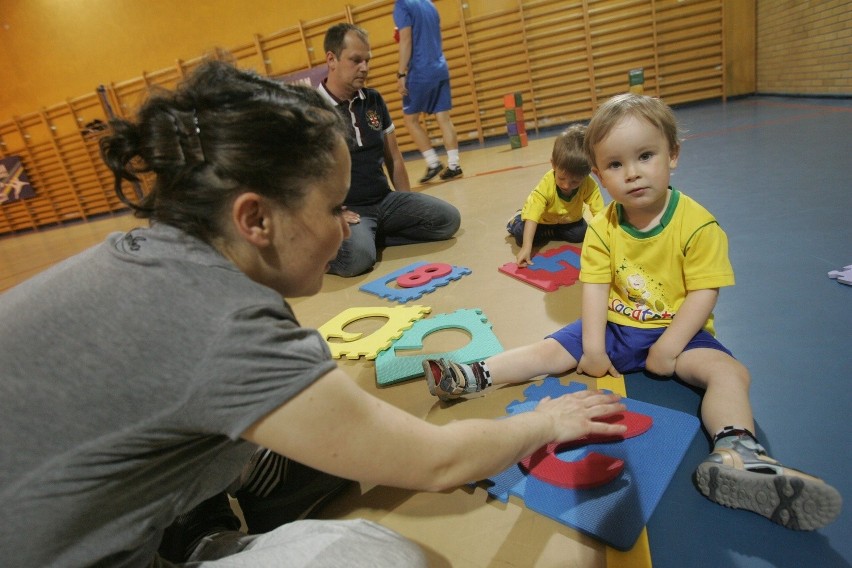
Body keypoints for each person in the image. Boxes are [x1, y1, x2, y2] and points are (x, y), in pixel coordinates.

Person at [0, 59, 631, 567]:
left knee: (318, 423)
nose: (343, 229)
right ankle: (199, 536)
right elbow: (437, 462)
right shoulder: (222, 323)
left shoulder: (160, 256)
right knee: (377, 556)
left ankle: (198, 505)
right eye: (334, 210)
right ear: (255, 218)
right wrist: (545, 422)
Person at [422, 93, 842, 531]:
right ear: (599, 175)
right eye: (616, 165)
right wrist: (591, 346)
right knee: (547, 351)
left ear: (672, 154)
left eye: (645, 156)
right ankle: (471, 375)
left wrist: (671, 345)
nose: (633, 173)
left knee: (730, 373)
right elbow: (596, 287)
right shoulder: (602, 226)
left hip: (680, 335)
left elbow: (703, 293)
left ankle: (739, 453)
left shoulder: (698, 225)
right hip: (617, 327)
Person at [319, 23, 461, 277]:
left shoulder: (373, 100)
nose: (365, 68)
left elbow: (393, 157)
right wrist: (330, 213)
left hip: (385, 201)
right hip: (351, 212)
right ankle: (344, 246)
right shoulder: (311, 111)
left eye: (367, 60)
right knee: (358, 260)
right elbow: (301, 179)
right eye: (356, 60)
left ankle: (369, 238)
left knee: (448, 220)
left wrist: (407, 202)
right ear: (332, 59)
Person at [507, 124, 605, 267]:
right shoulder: (546, 185)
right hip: (542, 220)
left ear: (587, 174)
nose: (566, 185)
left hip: (567, 221)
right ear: (553, 165)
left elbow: (600, 214)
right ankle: (516, 219)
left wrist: (606, 242)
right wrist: (526, 248)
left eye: (575, 182)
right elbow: (534, 214)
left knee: (581, 233)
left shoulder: (589, 185)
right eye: (562, 178)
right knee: (523, 236)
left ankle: (551, 232)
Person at [393, 0, 463, 182]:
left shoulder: (402, 5)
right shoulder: (430, 5)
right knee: (444, 118)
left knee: (410, 120)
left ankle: (433, 163)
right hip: (440, 67)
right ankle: (454, 165)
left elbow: (406, 39)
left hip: (420, 70)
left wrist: (401, 73)